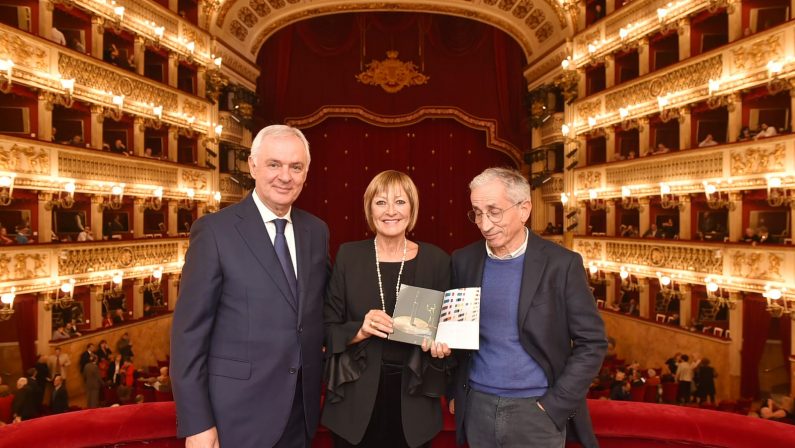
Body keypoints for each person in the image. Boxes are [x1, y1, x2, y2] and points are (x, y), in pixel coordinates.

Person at [171, 125, 331, 448]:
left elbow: (322, 311)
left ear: (306, 173)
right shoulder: (214, 233)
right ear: (253, 165)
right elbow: (187, 337)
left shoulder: (317, 232)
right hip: (236, 419)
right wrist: (198, 424)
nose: (285, 176)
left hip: (300, 417)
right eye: (274, 164)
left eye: (295, 167)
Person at [450, 168, 607, 448]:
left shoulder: (562, 264)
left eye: (494, 211)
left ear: (524, 209)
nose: (484, 224)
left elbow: (592, 342)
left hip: (536, 412)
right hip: (477, 407)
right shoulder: (463, 260)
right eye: (477, 212)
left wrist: (555, 405)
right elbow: (456, 334)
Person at [322, 171, 452, 448]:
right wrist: (360, 330)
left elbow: (448, 332)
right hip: (353, 403)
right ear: (369, 209)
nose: (391, 211)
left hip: (414, 403)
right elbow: (326, 329)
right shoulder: (348, 255)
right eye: (381, 202)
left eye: (400, 202)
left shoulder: (438, 260)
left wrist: (444, 346)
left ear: (412, 208)